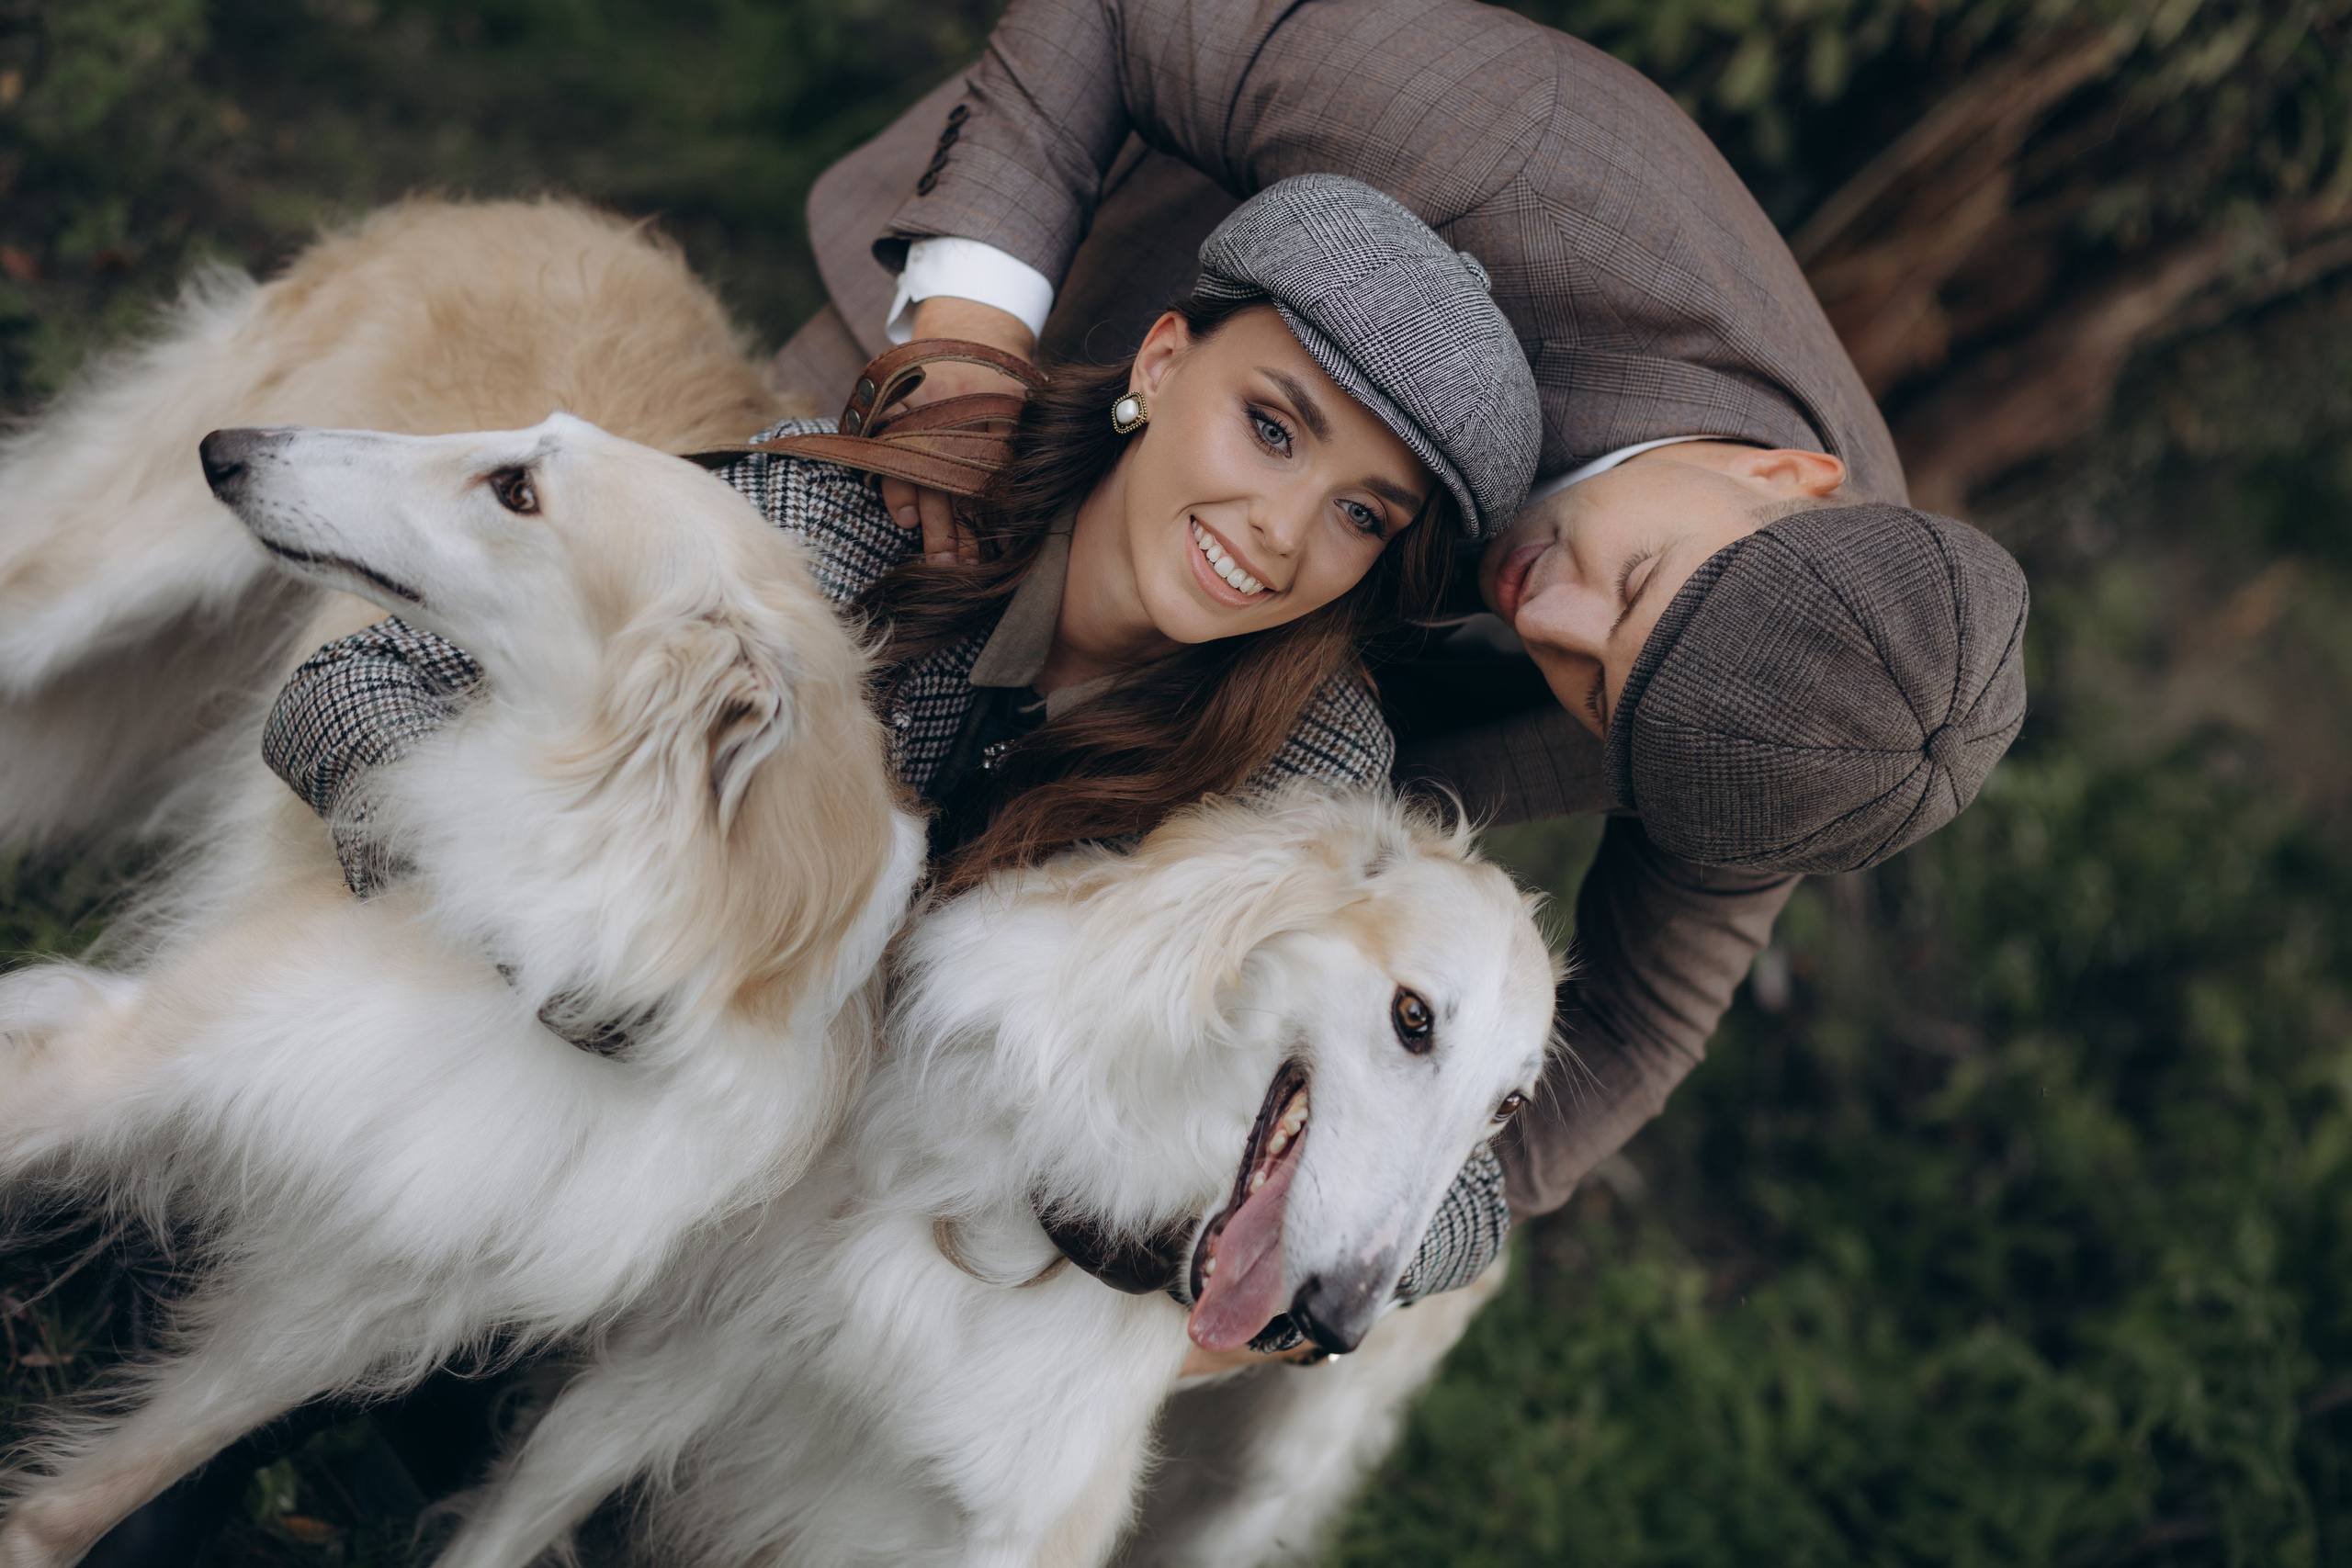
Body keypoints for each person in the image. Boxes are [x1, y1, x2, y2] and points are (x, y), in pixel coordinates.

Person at [776, 0, 2032, 1243]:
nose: (1545, 614)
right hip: (1025, 392)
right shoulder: (1523, 152)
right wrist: (972, 337)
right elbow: (1119, 17)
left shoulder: (1796, 742)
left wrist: (1335, 1243)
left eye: (1594, 691)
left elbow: (1631, 1032)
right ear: (1786, 476)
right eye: (1638, 578)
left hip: (1197, 745)